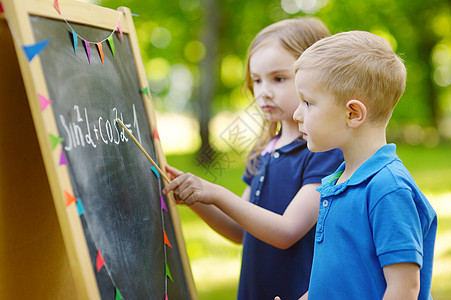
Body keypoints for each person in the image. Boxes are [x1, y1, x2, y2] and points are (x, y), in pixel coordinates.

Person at [162, 17, 343, 299]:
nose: (264, 92)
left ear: (316, 76)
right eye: (257, 80)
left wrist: (217, 193)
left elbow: (286, 231)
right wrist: (195, 197)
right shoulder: (266, 149)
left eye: (279, 79)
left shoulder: (325, 151)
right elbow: (239, 230)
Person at [286, 30, 437, 299]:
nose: (297, 114)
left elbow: (404, 288)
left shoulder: (387, 189)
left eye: (308, 102)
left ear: (353, 113)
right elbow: (341, 278)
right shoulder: (339, 181)